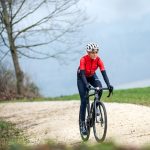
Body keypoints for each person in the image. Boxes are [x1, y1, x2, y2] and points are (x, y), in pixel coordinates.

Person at [77, 43, 113, 135]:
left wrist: (108, 84)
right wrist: (86, 85)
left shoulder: (98, 60)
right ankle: (82, 125)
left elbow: (103, 73)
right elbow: (82, 74)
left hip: (92, 75)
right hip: (82, 77)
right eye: (93, 52)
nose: (95, 54)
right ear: (88, 52)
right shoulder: (83, 59)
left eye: (96, 52)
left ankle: (96, 105)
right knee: (84, 101)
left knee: (99, 88)